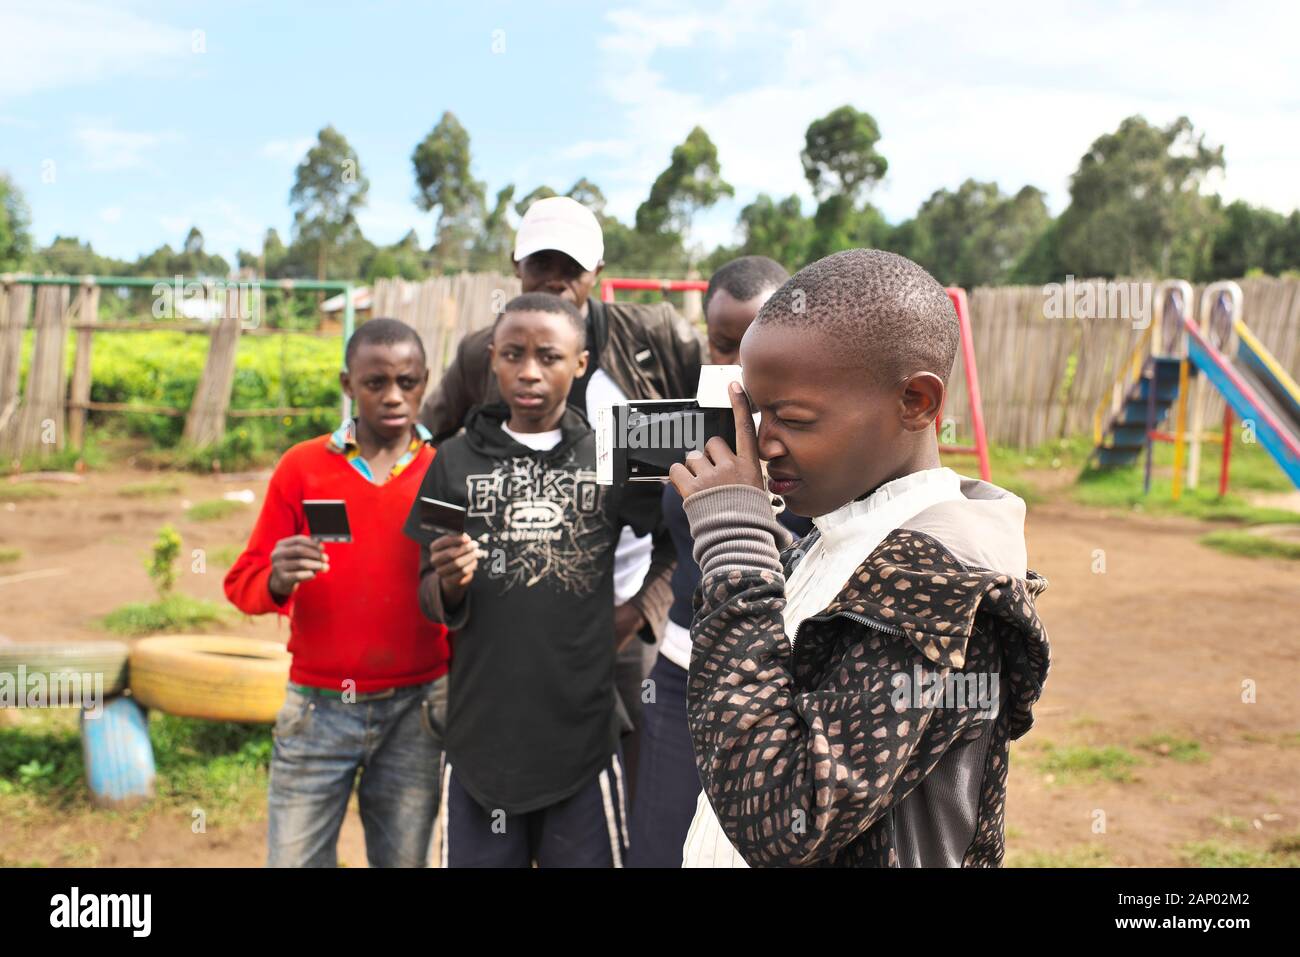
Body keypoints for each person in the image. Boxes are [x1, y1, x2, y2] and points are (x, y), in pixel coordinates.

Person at [670, 249, 1051, 867]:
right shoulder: (852, 529)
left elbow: (787, 820)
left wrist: (735, 546)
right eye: (757, 412)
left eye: (791, 418)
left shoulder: (938, 580)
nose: (763, 443)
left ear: (917, 403)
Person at [419, 195, 704, 798]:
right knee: (515, 770)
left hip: (620, 617)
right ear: (515, 266)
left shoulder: (656, 340)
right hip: (513, 614)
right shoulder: (484, 354)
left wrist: (642, 612)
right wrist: (455, 554)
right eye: (540, 262)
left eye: (570, 265)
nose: (554, 278)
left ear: (596, 271)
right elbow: (432, 447)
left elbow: (699, 465)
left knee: (629, 783)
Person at [409, 293, 662, 867]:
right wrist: (447, 584)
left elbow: (674, 535)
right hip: (481, 737)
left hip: (581, 736)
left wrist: (642, 609)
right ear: (491, 360)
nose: (528, 372)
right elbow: (425, 588)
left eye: (548, 357)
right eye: (513, 355)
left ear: (580, 363)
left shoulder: (611, 455)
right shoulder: (453, 460)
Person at [224, 318, 451, 868]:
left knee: (404, 861)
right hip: (318, 708)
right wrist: (277, 578)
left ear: (425, 382)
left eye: (408, 381)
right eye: (376, 383)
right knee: (296, 860)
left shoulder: (447, 469)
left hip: (418, 709)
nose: (394, 396)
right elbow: (243, 585)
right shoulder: (303, 467)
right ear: (348, 383)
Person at [626, 255, 812, 867]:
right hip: (681, 671)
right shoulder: (682, 422)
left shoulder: (815, 436)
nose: (736, 363)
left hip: (785, 672)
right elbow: (651, 533)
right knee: (660, 845)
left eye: (753, 342)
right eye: (722, 342)